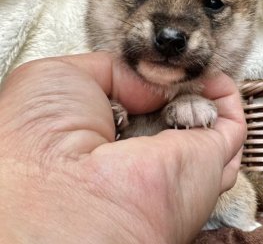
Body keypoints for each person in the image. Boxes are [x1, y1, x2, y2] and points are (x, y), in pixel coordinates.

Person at [0, 52, 246, 243]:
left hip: (212, 205)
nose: (170, 34)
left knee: (238, 199)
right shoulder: (93, 81)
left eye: (212, 4)